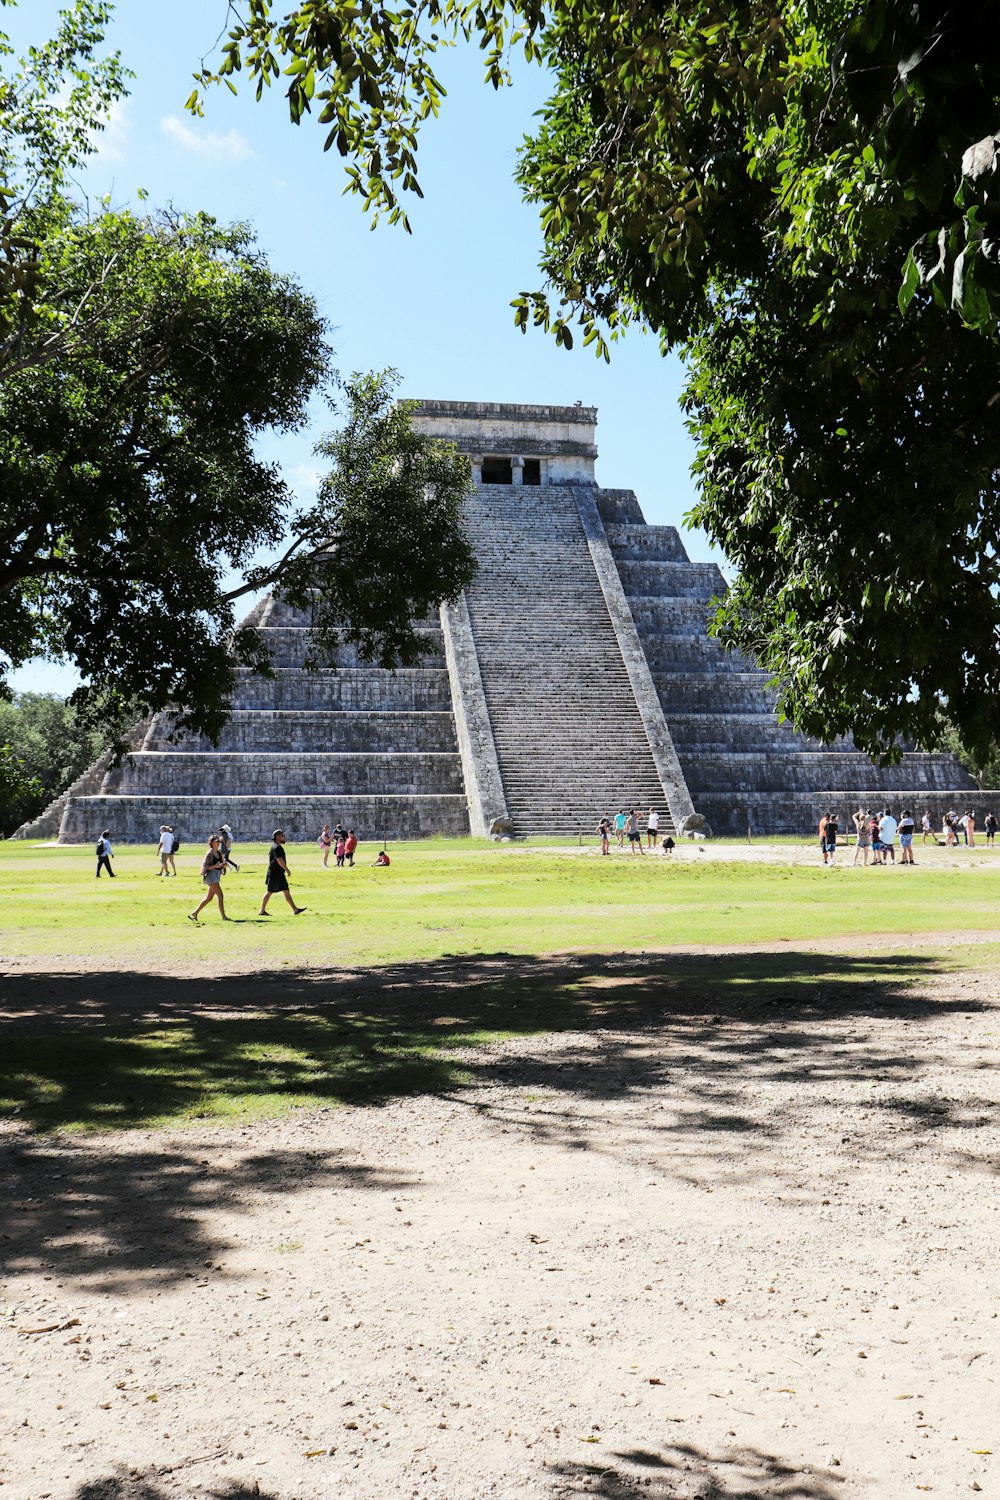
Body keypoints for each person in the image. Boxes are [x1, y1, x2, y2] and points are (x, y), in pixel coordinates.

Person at [259, 830, 306, 916]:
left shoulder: (277, 846)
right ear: (277, 837)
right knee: (269, 891)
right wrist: (287, 869)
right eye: (282, 835)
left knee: (286, 890)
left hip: (279, 874)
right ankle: (262, 910)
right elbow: (279, 860)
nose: (284, 837)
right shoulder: (276, 847)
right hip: (274, 873)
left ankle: (295, 909)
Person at [189, 835, 229, 921]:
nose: (218, 842)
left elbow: (220, 865)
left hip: (216, 876)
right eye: (216, 841)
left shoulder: (218, 853)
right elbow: (206, 867)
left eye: (218, 841)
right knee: (220, 896)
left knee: (209, 898)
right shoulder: (209, 854)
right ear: (212, 842)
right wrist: (216, 866)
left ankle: (195, 913)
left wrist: (223, 866)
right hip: (211, 877)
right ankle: (224, 917)